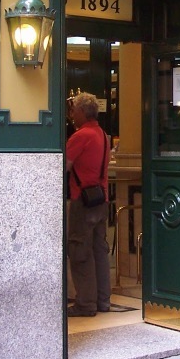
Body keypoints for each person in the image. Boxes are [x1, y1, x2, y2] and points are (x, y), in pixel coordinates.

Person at [66, 92, 112, 317]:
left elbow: (64, 165)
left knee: (80, 251)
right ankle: (103, 300)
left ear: (83, 112)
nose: (72, 114)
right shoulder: (103, 135)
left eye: (74, 110)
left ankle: (85, 303)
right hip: (101, 200)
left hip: (82, 202)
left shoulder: (80, 136)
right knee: (99, 251)